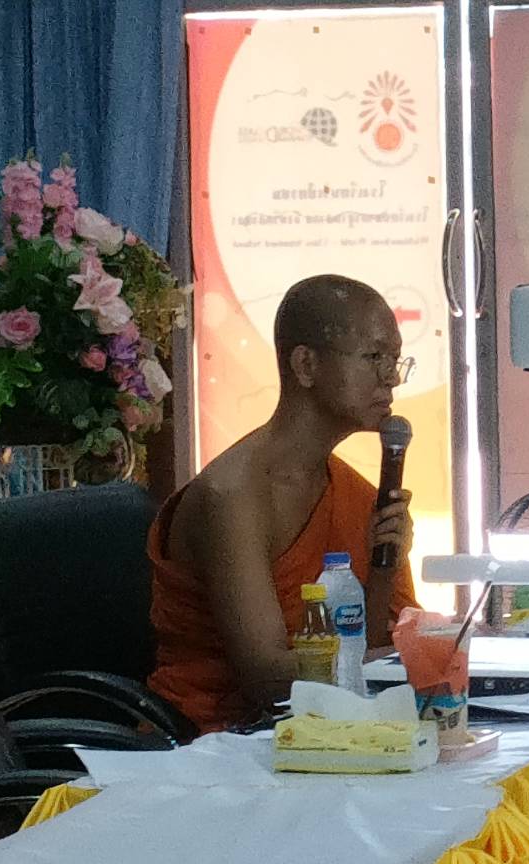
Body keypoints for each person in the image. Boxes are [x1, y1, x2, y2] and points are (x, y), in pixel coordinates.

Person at [147, 275, 419, 732]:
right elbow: (266, 677)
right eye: (374, 357)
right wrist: (417, 658)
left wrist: (383, 570)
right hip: (213, 741)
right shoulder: (231, 495)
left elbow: (366, 643)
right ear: (306, 365)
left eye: (395, 360)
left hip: (328, 728)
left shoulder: (353, 492)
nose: (391, 377)